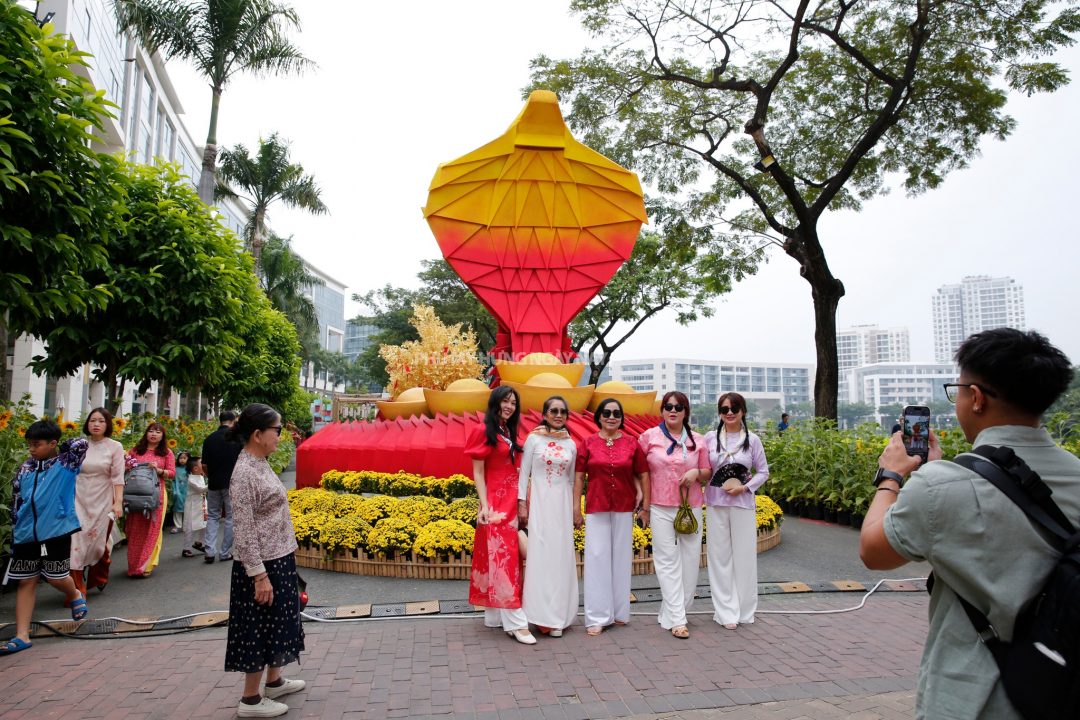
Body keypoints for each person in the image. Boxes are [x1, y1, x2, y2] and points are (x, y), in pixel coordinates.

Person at [860, 328, 1079, 719]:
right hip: (1062, 682)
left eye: (957, 389)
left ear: (975, 398)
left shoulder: (941, 484)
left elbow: (874, 552)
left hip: (974, 696)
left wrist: (890, 476)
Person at [226, 403, 306, 718]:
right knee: (258, 628)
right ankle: (250, 700)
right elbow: (244, 532)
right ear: (258, 434)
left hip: (279, 557)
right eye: (277, 430)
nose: (281, 435)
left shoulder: (260, 462)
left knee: (278, 623)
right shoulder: (244, 472)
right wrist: (259, 575)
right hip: (262, 566)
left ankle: (274, 682)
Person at [0, 420, 89, 656]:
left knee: (55, 578)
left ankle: (74, 594)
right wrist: (16, 525)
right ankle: (21, 635)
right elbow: (17, 498)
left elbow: (81, 444)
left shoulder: (65, 463)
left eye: (36, 444)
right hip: (26, 534)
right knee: (26, 581)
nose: (31, 449)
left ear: (52, 444)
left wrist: (58, 448)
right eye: (29, 444)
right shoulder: (25, 468)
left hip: (56, 531)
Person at [638, 390, 711, 639]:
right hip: (659, 506)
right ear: (662, 410)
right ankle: (679, 619)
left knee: (690, 563)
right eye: (668, 406)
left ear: (685, 412)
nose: (673, 410)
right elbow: (638, 471)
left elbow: (708, 472)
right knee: (666, 562)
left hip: (689, 508)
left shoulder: (698, 440)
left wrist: (696, 474)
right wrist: (642, 501)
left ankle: (672, 613)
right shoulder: (649, 437)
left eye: (678, 407)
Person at [466, 385, 535, 645]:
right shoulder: (482, 431)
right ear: (495, 402)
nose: (509, 406)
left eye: (513, 403)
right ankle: (517, 623)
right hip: (495, 505)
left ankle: (495, 617)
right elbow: (479, 472)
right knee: (504, 560)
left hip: (511, 502)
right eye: (505, 401)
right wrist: (483, 506)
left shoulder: (508, 431)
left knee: (503, 558)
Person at [574, 397, 648, 637]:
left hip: (624, 507)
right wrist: (576, 507)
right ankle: (597, 616)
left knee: (620, 558)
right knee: (596, 558)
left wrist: (645, 503)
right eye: (606, 413)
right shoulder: (587, 443)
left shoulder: (632, 443)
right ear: (599, 416)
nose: (611, 417)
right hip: (596, 507)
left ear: (621, 417)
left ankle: (618, 612)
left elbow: (643, 474)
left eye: (616, 413)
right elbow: (578, 478)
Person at [703, 392, 770, 629]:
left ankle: (744, 609)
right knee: (719, 558)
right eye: (724, 409)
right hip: (716, 504)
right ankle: (725, 611)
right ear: (719, 413)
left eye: (734, 408)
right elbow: (703, 468)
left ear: (743, 411)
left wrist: (744, 487)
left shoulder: (752, 440)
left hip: (742, 505)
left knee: (744, 557)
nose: (729, 413)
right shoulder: (710, 438)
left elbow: (763, 471)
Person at [517, 395, 578, 637]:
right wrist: (522, 504)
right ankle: (540, 616)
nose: (558, 415)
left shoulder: (571, 443)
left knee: (560, 556)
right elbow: (524, 474)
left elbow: (573, 480)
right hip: (540, 503)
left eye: (563, 411)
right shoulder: (534, 439)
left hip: (562, 506)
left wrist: (575, 508)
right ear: (545, 414)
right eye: (553, 410)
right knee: (540, 554)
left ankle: (558, 617)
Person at [70, 407, 125, 595]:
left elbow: (118, 478)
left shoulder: (115, 447)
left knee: (97, 541)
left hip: (102, 498)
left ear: (108, 424)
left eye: (101, 421)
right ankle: (77, 590)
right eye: (93, 420)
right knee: (75, 541)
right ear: (87, 423)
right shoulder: (79, 445)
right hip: (78, 497)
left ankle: (98, 575)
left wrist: (118, 503)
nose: (96, 424)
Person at [124, 422, 175, 578]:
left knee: (152, 528)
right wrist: (128, 466)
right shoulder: (134, 451)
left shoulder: (167, 453)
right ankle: (133, 566)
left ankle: (145, 566)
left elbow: (172, 473)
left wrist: (158, 470)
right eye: (151, 431)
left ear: (162, 436)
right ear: (146, 433)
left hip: (156, 494)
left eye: (158, 432)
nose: (154, 434)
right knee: (134, 529)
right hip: (133, 495)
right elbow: (124, 467)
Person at [202, 410, 242, 564]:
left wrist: (210, 475)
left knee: (213, 516)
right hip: (232, 483)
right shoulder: (237, 439)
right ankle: (224, 552)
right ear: (233, 421)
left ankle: (209, 551)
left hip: (213, 483)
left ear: (220, 421)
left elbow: (204, 464)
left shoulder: (209, 439)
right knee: (231, 517)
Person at [182, 456, 208, 558]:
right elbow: (201, 489)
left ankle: (200, 543)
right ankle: (186, 548)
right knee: (190, 527)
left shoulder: (201, 476)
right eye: (202, 463)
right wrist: (213, 483)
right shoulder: (191, 480)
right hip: (192, 506)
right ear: (195, 468)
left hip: (202, 505)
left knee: (205, 524)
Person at [170, 450, 191, 534]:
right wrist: (174, 490)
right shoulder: (175, 469)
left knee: (188, 508)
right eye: (180, 458)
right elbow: (173, 480)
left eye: (184, 458)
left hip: (187, 491)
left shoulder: (190, 470)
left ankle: (186, 526)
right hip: (177, 491)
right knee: (177, 508)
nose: (182, 460)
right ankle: (177, 526)